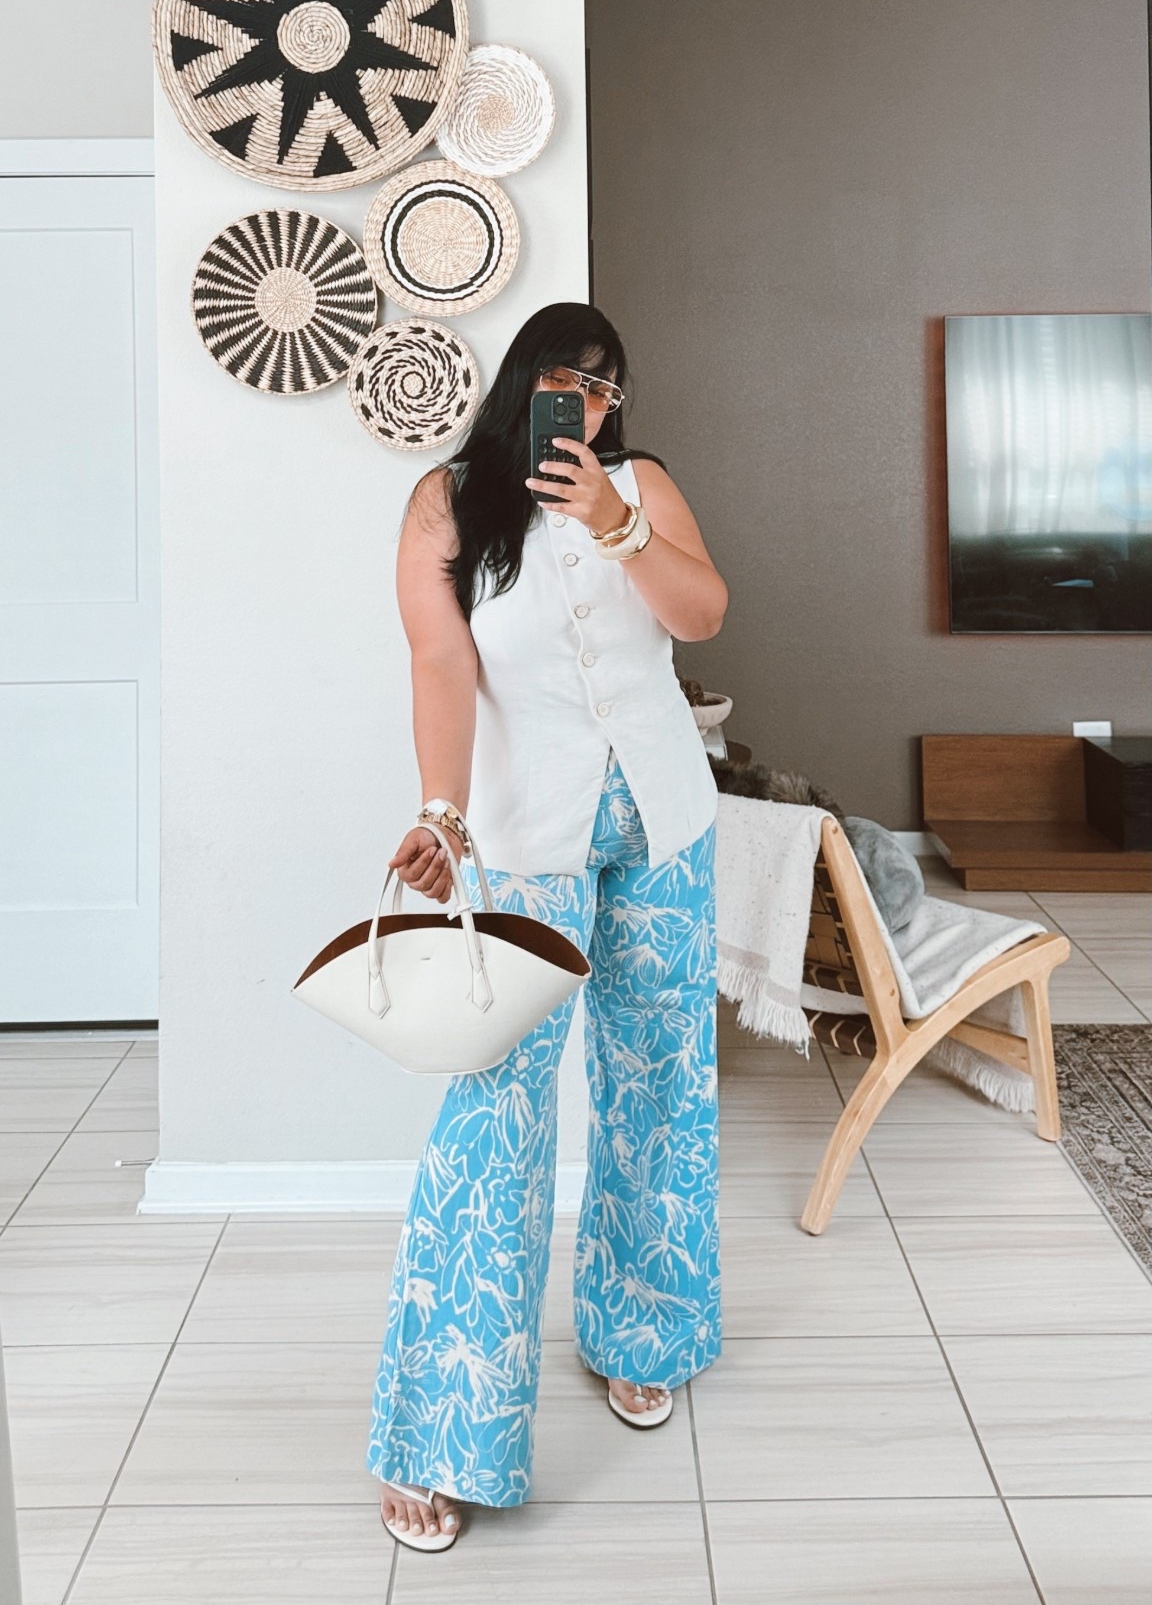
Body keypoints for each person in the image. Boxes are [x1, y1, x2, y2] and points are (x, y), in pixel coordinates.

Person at [365, 301, 728, 1551]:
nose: (592, 399)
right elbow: (441, 664)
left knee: (661, 1076)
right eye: (571, 375)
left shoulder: (642, 483)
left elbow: (701, 614)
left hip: (666, 821)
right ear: (525, 378)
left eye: (608, 384)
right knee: (498, 1104)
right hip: (526, 834)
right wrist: (442, 809)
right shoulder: (445, 504)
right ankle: (442, 1429)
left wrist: (619, 522)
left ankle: (644, 1331)